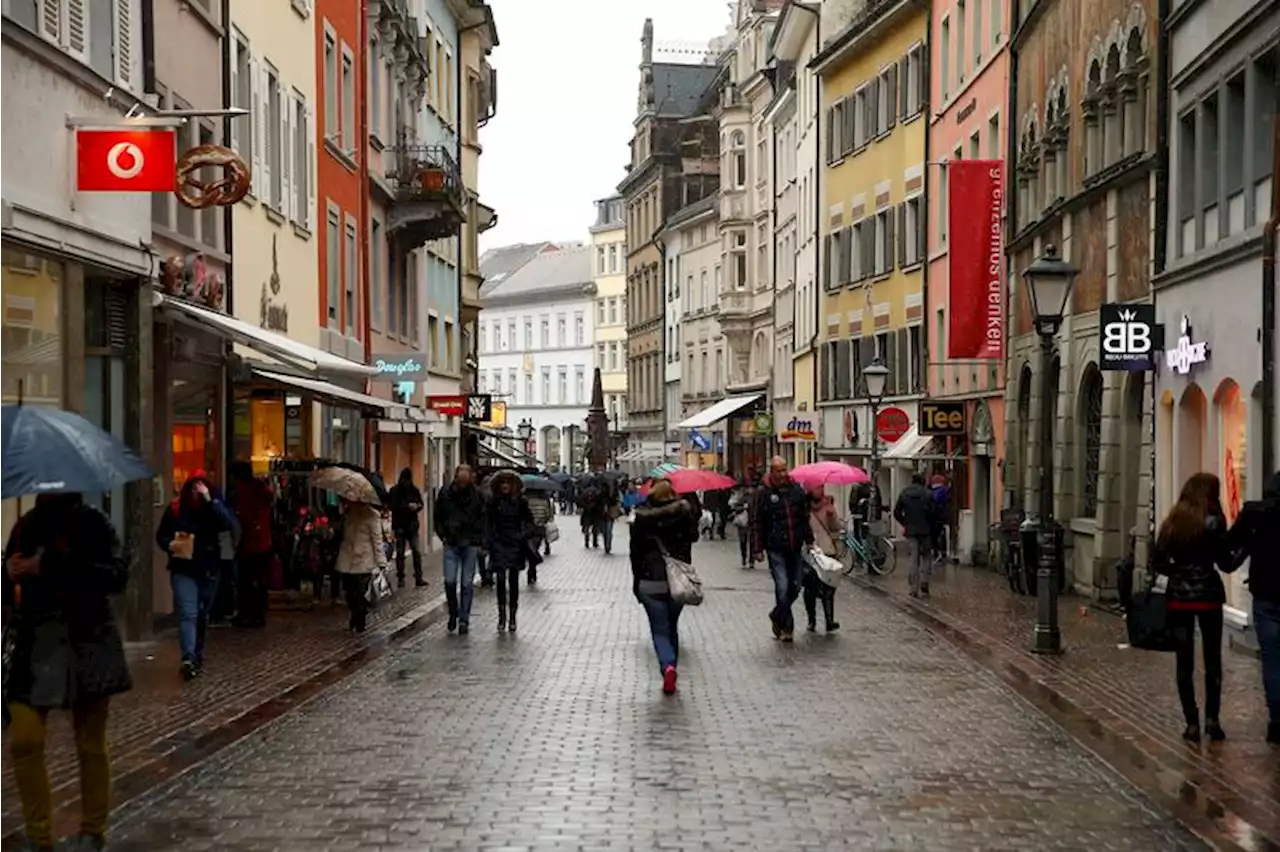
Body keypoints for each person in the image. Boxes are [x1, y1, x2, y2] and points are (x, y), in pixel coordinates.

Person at [3, 494, 132, 852]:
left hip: (87, 641)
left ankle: (93, 831)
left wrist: (51, 567)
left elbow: (115, 575)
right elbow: (8, 580)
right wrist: (9, 572)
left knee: (90, 743)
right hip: (36, 644)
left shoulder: (94, 524)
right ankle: (38, 836)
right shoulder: (27, 525)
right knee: (24, 739)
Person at [1154, 473, 1242, 743]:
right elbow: (1226, 563)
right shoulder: (1214, 521)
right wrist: (1244, 550)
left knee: (1185, 661)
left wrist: (1178, 574)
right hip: (1208, 595)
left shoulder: (1173, 522)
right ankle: (1212, 720)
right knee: (1212, 660)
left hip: (1179, 597)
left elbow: (1158, 561)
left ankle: (1191, 722)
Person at [156, 474, 239, 680]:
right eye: (193, 487)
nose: (196, 492)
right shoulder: (176, 509)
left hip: (208, 569)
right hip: (183, 568)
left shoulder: (213, 507)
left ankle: (196, 652)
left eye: (200, 487)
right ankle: (188, 657)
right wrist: (170, 545)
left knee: (201, 615)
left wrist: (210, 501)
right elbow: (162, 535)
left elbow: (226, 523)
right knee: (188, 613)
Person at [630, 479, 699, 695]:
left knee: (659, 631)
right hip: (677, 580)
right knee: (671, 627)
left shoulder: (641, 518)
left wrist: (637, 582)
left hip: (650, 580)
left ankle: (668, 666)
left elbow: (635, 552)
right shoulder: (683, 513)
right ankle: (672, 668)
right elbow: (693, 537)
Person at [1231, 472, 1280, 744]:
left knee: (1272, 659)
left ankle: (1277, 721)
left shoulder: (1254, 513)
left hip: (1265, 594)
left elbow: (1230, 543)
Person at [752, 456, 813, 642]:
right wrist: (758, 548)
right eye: (778, 471)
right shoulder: (764, 493)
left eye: (784, 470)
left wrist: (809, 539)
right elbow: (757, 521)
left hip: (795, 546)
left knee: (796, 585)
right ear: (772, 472)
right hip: (775, 547)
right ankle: (787, 626)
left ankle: (777, 614)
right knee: (783, 586)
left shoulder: (796, 491)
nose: (782, 474)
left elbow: (804, 517)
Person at [434, 464, 486, 634]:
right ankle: (453, 613)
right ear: (456, 478)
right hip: (451, 542)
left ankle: (464, 619)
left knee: (467, 583)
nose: (463, 485)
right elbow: (438, 516)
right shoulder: (446, 493)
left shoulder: (477, 495)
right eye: (460, 481)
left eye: (466, 481)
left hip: (469, 543)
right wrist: (442, 534)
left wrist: (480, 541)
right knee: (449, 581)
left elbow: (483, 518)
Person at [485, 471, 536, 632]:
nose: (505, 486)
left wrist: (522, 535)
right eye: (502, 483)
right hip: (499, 543)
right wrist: (489, 541)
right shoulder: (493, 502)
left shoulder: (520, 502)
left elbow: (530, 522)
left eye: (508, 483)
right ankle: (501, 617)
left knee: (513, 581)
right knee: (500, 580)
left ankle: (512, 616)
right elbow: (487, 522)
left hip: (515, 544)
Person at [334, 497, 387, 634]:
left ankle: (360, 619)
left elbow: (377, 540)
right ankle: (355, 614)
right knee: (349, 593)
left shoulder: (372, 515)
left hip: (364, 560)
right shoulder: (348, 513)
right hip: (347, 558)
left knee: (360, 593)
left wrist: (381, 562)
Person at [230, 462, 274, 628]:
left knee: (245, 581)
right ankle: (258, 614)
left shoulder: (243, 492)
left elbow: (244, 516)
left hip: (248, 542)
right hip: (263, 542)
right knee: (259, 581)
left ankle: (247, 613)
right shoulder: (262, 489)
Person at [803, 492, 842, 633]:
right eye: (817, 487)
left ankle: (829, 621)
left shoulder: (828, 506)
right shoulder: (803, 507)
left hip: (827, 551)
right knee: (810, 589)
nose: (820, 490)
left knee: (830, 587)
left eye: (821, 487)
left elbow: (837, 527)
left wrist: (832, 516)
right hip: (810, 553)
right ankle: (811, 620)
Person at [894, 473, 938, 598]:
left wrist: (905, 523)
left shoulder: (905, 493)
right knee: (926, 556)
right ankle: (925, 582)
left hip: (911, 530)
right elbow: (934, 513)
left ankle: (914, 588)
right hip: (925, 530)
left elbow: (896, 511)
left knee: (914, 558)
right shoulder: (928, 494)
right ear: (922, 481)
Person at [388, 468, 426, 588]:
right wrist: (407, 507)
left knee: (414, 551)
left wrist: (417, 506)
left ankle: (418, 576)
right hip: (401, 524)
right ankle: (401, 577)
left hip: (411, 525)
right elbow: (392, 505)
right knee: (401, 552)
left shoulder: (413, 490)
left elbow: (421, 503)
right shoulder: (395, 491)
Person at [729, 481, 754, 568]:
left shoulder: (756, 498)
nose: (749, 490)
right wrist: (743, 507)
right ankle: (744, 557)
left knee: (752, 542)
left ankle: (751, 560)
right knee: (743, 542)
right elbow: (736, 508)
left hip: (752, 523)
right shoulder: (743, 498)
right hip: (743, 523)